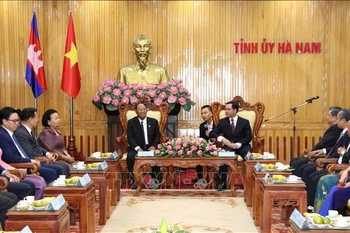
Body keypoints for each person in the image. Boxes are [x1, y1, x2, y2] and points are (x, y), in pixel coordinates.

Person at [303, 109, 350, 211]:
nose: (348, 131)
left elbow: (346, 157)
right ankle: (311, 206)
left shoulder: (346, 136)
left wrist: (343, 153)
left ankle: (321, 212)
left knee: (322, 180)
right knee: (313, 175)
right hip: (340, 168)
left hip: (339, 169)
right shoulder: (345, 134)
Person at [0, 106, 57, 184]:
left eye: (18, 121)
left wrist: (32, 160)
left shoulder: (12, 133)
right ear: (4, 121)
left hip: (27, 163)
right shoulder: (2, 135)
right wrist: (29, 161)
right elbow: (9, 157)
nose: (17, 123)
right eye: (14, 121)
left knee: (57, 168)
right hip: (20, 165)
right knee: (51, 172)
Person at [14, 108, 70, 177]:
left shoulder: (27, 131)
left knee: (64, 166)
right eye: (36, 118)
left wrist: (47, 154)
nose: (37, 121)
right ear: (30, 119)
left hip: (41, 159)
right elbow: (29, 153)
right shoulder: (21, 133)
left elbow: (37, 146)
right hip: (34, 162)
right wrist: (45, 158)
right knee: (59, 168)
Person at [209, 101, 252, 190]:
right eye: (225, 109)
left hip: (242, 146)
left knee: (250, 157)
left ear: (235, 110)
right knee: (222, 156)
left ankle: (250, 183)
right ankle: (223, 183)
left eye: (228, 109)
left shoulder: (245, 122)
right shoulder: (222, 122)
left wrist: (237, 144)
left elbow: (248, 137)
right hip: (228, 147)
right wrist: (222, 139)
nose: (226, 111)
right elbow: (212, 133)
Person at [290, 106, 343, 177]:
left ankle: (299, 186)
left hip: (326, 158)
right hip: (322, 155)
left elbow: (323, 143)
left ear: (335, 118)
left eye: (328, 115)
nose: (326, 117)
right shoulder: (336, 128)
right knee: (295, 161)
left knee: (298, 164)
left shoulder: (336, 128)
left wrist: (312, 153)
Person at [126, 102, 161, 189]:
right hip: (136, 147)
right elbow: (130, 137)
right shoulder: (131, 122)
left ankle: (154, 180)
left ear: (146, 110)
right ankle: (135, 180)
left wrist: (153, 146)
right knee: (130, 157)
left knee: (158, 155)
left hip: (150, 147)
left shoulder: (153, 122)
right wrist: (138, 148)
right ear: (136, 111)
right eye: (140, 109)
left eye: (144, 109)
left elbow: (157, 135)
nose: (142, 111)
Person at [195, 105, 216, 181]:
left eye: (205, 113)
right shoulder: (202, 126)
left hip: (217, 147)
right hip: (206, 147)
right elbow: (202, 139)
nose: (203, 115)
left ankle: (218, 177)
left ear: (211, 113)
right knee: (198, 153)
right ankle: (200, 178)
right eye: (202, 113)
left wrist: (212, 138)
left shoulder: (218, 124)